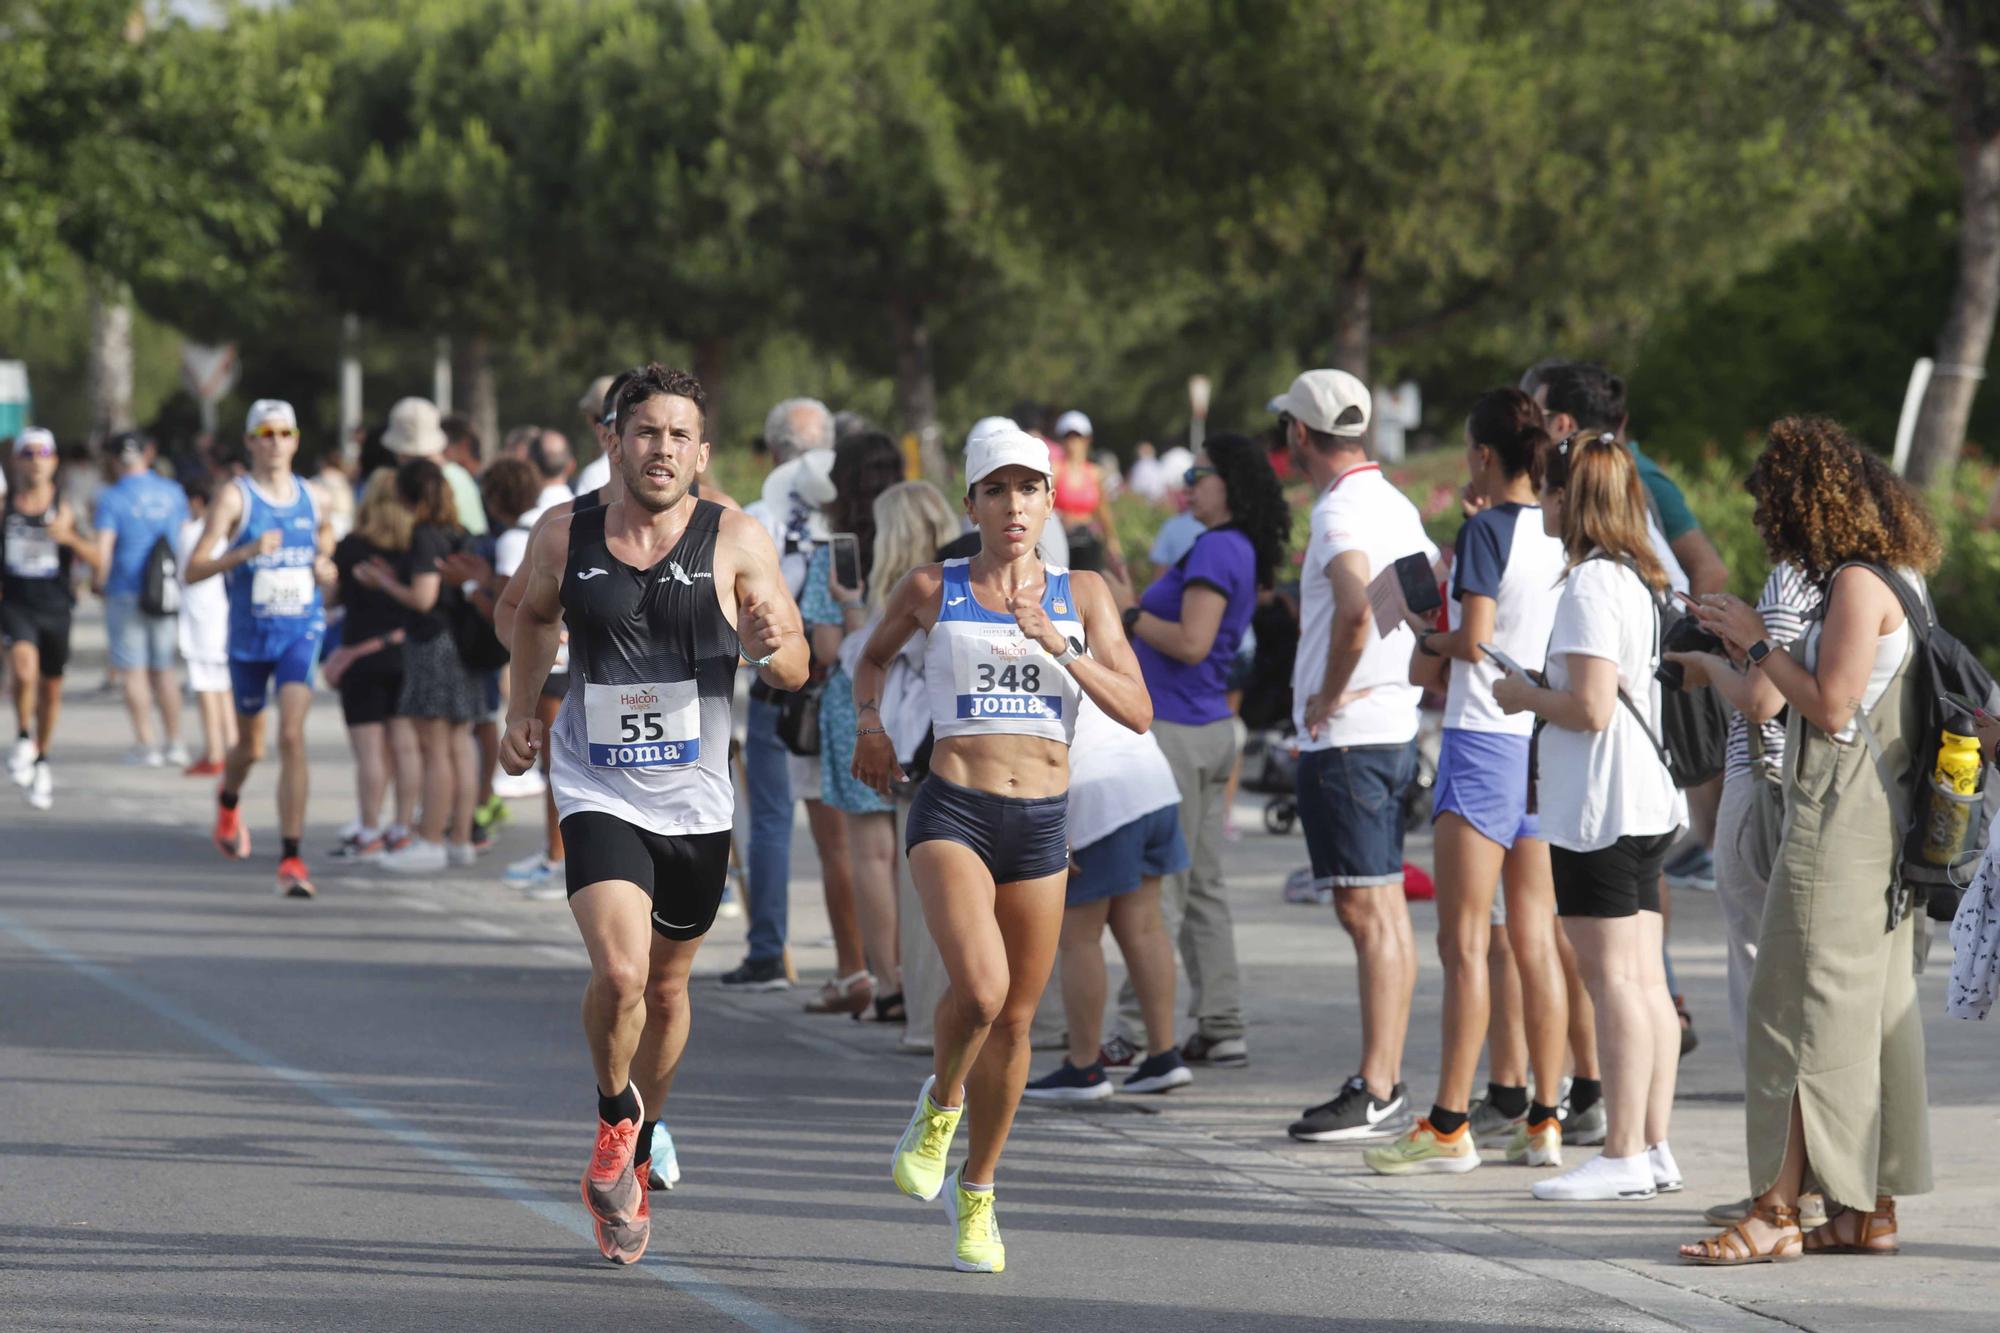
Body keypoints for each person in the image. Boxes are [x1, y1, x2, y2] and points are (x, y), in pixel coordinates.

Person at [499, 363, 807, 1267]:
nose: (661, 447)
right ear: (614, 441)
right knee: (623, 972)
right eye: (645, 431)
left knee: (668, 990)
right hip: (597, 786)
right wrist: (523, 710)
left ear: (701, 454)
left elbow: (795, 667)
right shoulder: (567, 532)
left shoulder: (737, 538)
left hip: (698, 801)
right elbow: (524, 617)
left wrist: (769, 648)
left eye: (679, 434)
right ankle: (611, 1115)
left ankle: (641, 1134)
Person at [853, 421, 1151, 1274]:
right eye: (997, 489)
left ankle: (977, 1190)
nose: (1014, 505)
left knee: (1018, 1018)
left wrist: (1060, 645)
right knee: (979, 991)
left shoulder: (1083, 592)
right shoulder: (930, 586)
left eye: (1029, 488)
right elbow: (868, 661)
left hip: (1044, 822)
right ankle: (939, 1106)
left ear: (1050, 501)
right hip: (955, 809)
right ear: (974, 502)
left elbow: (1137, 708)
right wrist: (871, 724)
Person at [1675, 418, 1936, 1265]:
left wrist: (1753, 641)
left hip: (1844, 816)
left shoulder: (1859, 585)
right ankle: (1866, 1208)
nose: (1764, 524)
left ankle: (1776, 1210)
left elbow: (1827, 705)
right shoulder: (1903, 575)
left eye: (1771, 507)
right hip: (1884, 818)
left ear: (1803, 504)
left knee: (1789, 1009)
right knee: (1869, 1014)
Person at [1365, 388, 1569, 1177]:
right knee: (1533, 939)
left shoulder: (1485, 530)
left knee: (1463, 944)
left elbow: (1475, 641)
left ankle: (1450, 1122)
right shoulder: (1560, 532)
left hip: (1484, 736)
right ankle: (1544, 1118)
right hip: (1543, 739)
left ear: (1483, 455)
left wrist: (1423, 630)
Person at [1491, 430, 1687, 1202]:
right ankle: (1653, 1144)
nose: (1541, 502)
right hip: (1638, 797)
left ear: (1573, 500)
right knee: (1639, 979)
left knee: (1614, 983)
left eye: (1548, 490)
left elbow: (1591, 706)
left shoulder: (1589, 585)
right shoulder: (1637, 577)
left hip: (1601, 805)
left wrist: (1524, 695)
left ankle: (1624, 1149)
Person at [1278, 370, 1437, 1143]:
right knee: (1380, 908)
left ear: (1299, 436)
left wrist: (1329, 689)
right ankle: (1384, 1079)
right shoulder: (1395, 502)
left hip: (1350, 736)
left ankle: (1377, 1086)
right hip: (1392, 723)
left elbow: (1351, 607)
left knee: (1365, 908)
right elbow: (1419, 592)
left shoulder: (1340, 509)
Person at [1105, 433, 1288, 1069]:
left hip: (1180, 732)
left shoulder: (1214, 547)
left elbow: (1189, 641)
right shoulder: (1234, 547)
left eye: (1201, 474)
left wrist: (1126, 612)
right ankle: (1221, 1020)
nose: (1190, 484)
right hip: (1207, 728)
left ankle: (1134, 1027)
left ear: (1229, 484)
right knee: (1202, 883)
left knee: (1162, 888)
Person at [183, 400, 337, 898]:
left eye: (284, 432)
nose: (275, 442)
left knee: (291, 735)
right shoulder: (235, 498)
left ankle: (291, 858)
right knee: (250, 746)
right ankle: (228, 801)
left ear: (295, 440)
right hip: (250, 638)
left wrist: (326, 564)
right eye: (265, 433)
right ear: (250, 441)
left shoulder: (314, 497)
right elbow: (193, 568)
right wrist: (246, 551)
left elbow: (326, 539)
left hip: (300, 630)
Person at [1023, 695, 1191, 1100]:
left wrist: (1054, 826)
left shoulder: (1021, 648)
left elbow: (1039, 750)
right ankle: (1163, 1056)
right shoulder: (1088, 640)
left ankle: (1084, 1068)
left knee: (1079, 937)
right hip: (1153, 781)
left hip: (1097, 791)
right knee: (1145, 927)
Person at [723, 395, 836, 991]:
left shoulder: (753, 517)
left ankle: (768, 950)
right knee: (841, 828)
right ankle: (860, 964)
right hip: (834, 684)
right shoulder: (845, 511)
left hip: (775, 681)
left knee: (769, 821)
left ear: (772, 453)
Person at [798, 432, 910, 1019]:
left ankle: (887, 982)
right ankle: (923, 974)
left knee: (869, 851)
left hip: (856, 706)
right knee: (920, 848)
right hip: (918, 707)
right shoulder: (922, 545)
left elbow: (825, 645)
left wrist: (848, 603)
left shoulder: (835, 555)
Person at [365, 456, 480, 872]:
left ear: (407, 494)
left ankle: (431, 839)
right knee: (458, 745)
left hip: (433, 645)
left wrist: (384, 583)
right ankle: (461, 839)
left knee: (434, 747)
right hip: (463, 647)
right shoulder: (461, 533)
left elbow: (423, 598)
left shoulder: (425, 534)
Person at [322, 470, 421, 860]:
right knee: (406, 747)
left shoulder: (351, 547)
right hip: (405, 653)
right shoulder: (415, 544)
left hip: (361, 655)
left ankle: (369, 827)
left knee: (369, 752)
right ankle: (402, 826)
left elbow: (331, 600)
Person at [3, 428, 100, 808]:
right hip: (15, 604)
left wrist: (69, 538)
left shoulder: (67, 507)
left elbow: (98, 559)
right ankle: (24, 736)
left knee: (51, 689)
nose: (36, 459)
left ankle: (42, 759)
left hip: (56, 607)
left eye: (43, 452)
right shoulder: (5, 504)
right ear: (17, 460)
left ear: (54, 460)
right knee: (24, 671)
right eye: (28, 452)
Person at [93, 429, 190, 766]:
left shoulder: (112, 497)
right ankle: (175, 742)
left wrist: (98, 580)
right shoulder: (173, 492)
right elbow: (183, 539)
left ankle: (146, 744)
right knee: (164, 669)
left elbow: (104, 546)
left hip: (125, 589)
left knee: (133, 671)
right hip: (164, 590)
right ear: (147, 454)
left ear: (115, 459)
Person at [175, 477, 235, 778]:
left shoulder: (194, 532)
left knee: (206, 686)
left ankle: (215, 750)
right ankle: (231, 745)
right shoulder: (228, 533)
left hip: (202, 616)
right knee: (222, 685)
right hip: (223, 614)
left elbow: (184, 574)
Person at [1049, 410, 1122, 570]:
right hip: (1060, 539)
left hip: (1088, 541)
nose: (1073, 442)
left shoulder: (1095, 473)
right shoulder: (1055, 470)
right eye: (1068, 436)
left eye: (1077, 436)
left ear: (1087, 439)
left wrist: (1111, 539)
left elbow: (1102, 510)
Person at [439, 413, 490, 537]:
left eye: (442, 446)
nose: (439, 453)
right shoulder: (474, 481)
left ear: (464, 445)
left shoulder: (490, 486)